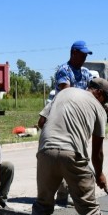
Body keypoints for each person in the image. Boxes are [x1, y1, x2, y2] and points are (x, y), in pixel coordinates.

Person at [31, 77, 108, 215]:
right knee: (88, 204)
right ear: (98, 93)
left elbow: (41, 122)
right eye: (105, 100)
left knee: (43, 201)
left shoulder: (64, 93)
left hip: (46, 151)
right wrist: (99, 174)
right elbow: (97, 151)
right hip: (72, 154)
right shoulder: (99, 110)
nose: (105, 104)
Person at [37, 40, 95, 205]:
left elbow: (92, 89)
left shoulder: (85, 72)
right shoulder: (64, 70)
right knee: (64, 153)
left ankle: (71, 195)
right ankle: (60, 195)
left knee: (75, 155)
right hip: (63, 116)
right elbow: (66, 92)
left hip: (79, 119)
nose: (84, 57)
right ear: (73, 53)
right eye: (82, 54)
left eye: (86, 55)